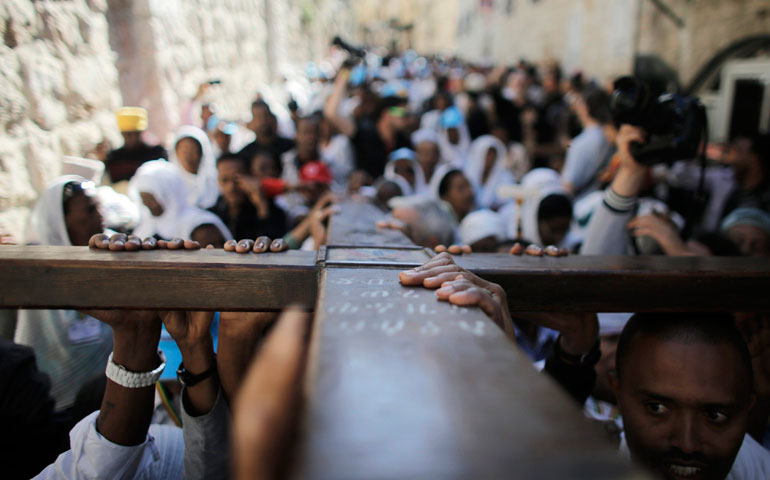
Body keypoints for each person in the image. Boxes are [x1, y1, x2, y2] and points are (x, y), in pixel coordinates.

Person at [15, 177, 114, 411]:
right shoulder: (39, 271)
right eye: (90, 210)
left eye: (99, 206)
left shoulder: (114, 252)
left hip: (112, 389)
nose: (100, 215)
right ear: (60, 221)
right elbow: (47, 344)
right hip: (57, 400)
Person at [324, 63, 412, 178]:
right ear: (386, 113)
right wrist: (345, 74)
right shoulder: (364, 133)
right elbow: (332, 113)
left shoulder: (403, 141)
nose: (407, 117)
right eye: (402, 113)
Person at [208, 153, 287, 241]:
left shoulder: (273, 212)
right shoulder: (210, 216)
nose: (231, 187)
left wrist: (262, 208)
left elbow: (273, 244)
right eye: (224, 180)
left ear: (250, 177)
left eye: (236, 179)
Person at [560, 88, 614, 198]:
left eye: (578, 103)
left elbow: (568, 185)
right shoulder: (612, 137)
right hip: (605, 200)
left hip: (583, 204)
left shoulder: (580, 143)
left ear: (585, 108)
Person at [104, 107, 168, 184]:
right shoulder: (113, 157)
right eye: (128, 134)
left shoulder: (156, 153)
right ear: (122, 134)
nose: (133, 137)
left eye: (136, 133)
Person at [721, 132, 770, 218]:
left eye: (739, 151)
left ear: (754, 158)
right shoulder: (735, 191)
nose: (733, 157)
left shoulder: (765, 198)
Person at [170, 125, 220, 209]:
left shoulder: (216, 181)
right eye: (184, 149)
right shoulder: (170, 183)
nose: (187, 154)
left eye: (192, 148)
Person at [464, 135, 515, 210]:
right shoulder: (467, 175)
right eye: (488, 154)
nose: (491, 158)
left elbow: (507, 203)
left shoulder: (506, 178)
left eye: (493, 154)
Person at [238, 100, 295, 164]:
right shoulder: (244, 156)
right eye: (258, 117)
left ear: (274, 119)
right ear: (250, 124)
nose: (263, 121)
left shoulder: (291, 147)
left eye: (266, 115)